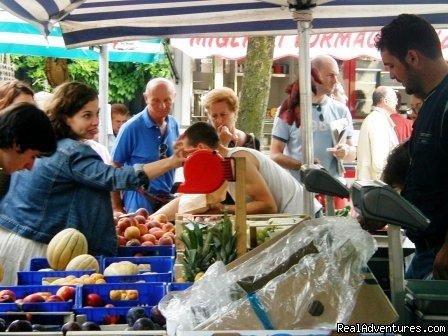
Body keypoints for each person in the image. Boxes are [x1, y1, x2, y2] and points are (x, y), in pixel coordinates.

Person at [0, 81, 186, 285]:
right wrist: (173, 161)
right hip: (36, 246)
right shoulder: (70, 152)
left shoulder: (49, 145)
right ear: (65, 116)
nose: (96, 121)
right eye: (86, 115)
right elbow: (116, 177)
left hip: (17, 238)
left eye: (97, 113)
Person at [374, 14, 448, 279]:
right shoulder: (431, 101)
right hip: (426, 249)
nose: (392, 76)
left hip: (440, 254)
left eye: (392, 65)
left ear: (413, 58)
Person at [153, 122, 315, 221]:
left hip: (305, 218)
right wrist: (152, 220)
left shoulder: (235, 161)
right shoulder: (219, 165)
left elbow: (268, 206)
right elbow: (189, 200)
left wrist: (223, 210)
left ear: (201, 149)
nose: (185, 162)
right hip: (293, 219)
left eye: (187, 155)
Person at [270, 55, 356, 183]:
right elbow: (275, 155)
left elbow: (352, 153)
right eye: (331, 75)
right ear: (313, 76)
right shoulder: (289, 109)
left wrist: (346, 151)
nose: (336, 81)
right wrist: (304, 165)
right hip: (300, 189)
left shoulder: (341, 110)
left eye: (336, 75)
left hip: (332, 188)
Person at [112, 78, 180, 214]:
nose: (162, 106)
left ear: (174, 97)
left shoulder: (173, 124)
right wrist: (117, 207)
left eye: (167, 100)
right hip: (139, 197)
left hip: (166, 199)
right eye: (156, 100)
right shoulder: (131, 127)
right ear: (146, 97)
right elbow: (114, 167)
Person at [356, 86, 399, 180]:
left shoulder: (376, 118)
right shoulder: (378, 121)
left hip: (372, 185)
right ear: (385, 101)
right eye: (395, 99)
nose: (397, 102)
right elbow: (379, 163)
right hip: (377, 185)